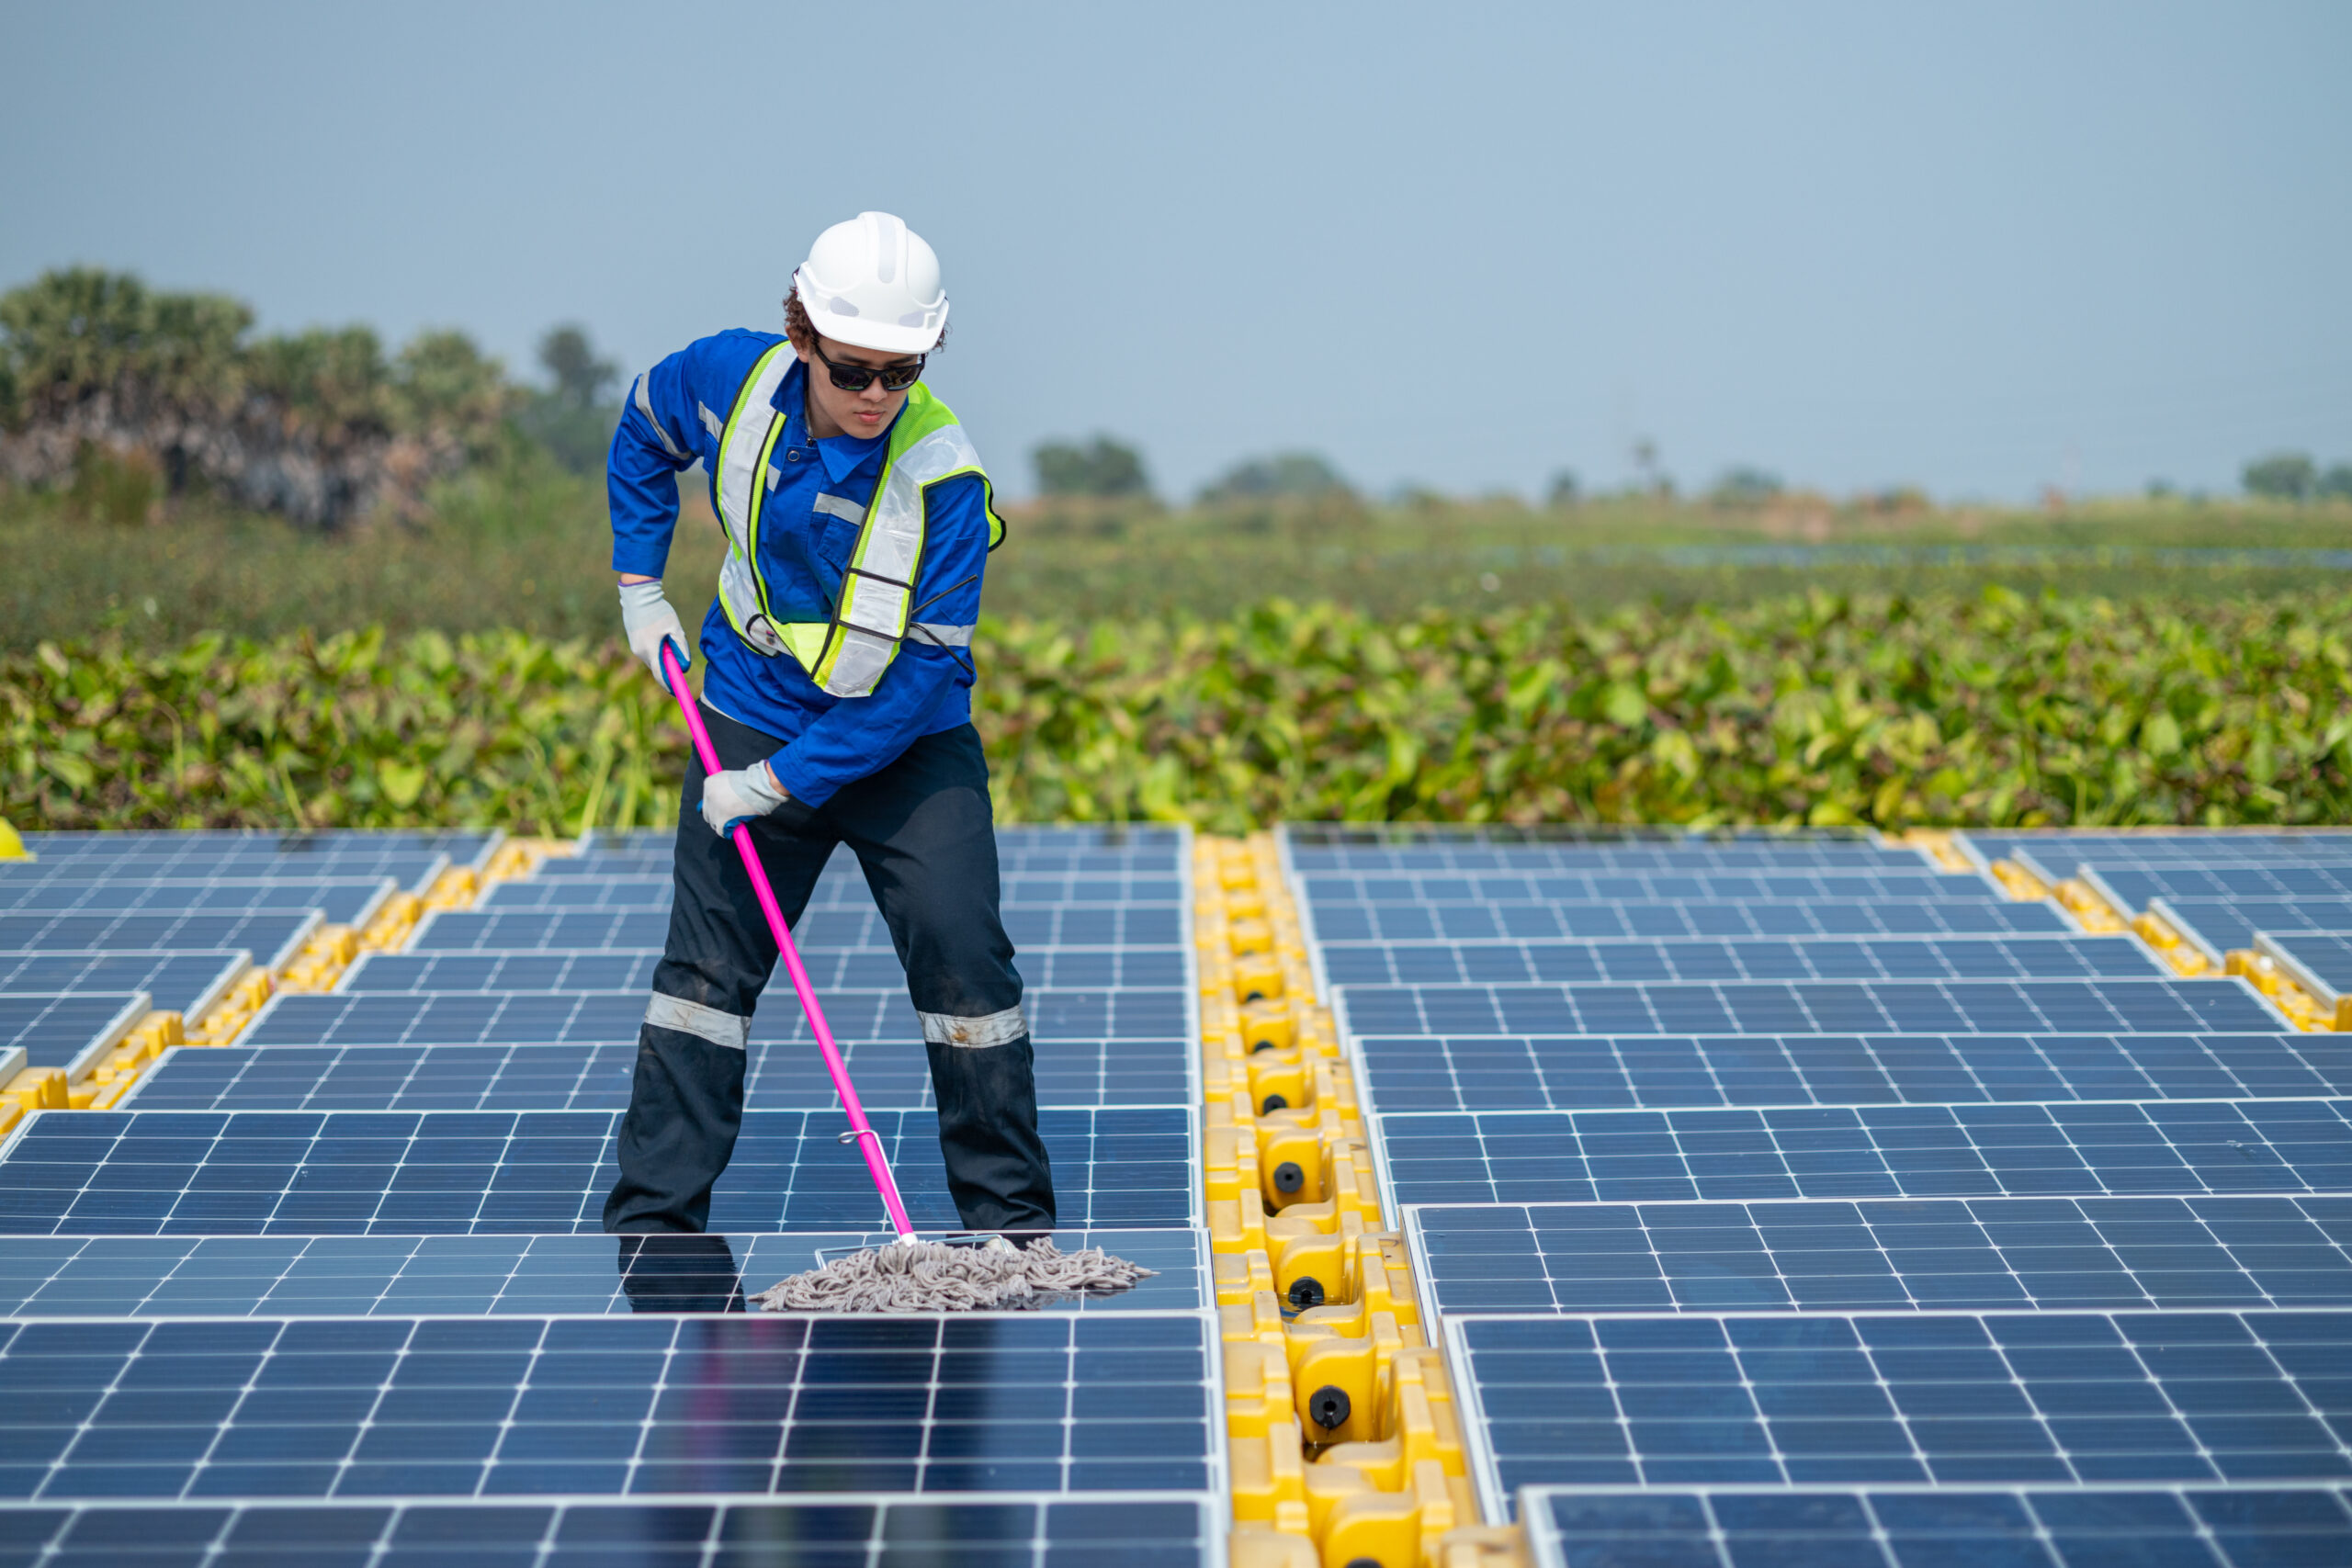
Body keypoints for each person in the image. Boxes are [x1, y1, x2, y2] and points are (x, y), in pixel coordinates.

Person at [598, 211, 1052, 1241]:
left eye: (902, 371)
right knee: (703, 982)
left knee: (965, 966)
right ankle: (654, 1233)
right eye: (853, 371)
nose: (877, 398)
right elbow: (639, 432)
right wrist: (639, 584)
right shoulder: (729, 379)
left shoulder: (946, 482)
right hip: (749, 712)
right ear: (801, 335)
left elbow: (916, 682)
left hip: (904, 749)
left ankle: (1011, 1232)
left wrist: (780, 784)